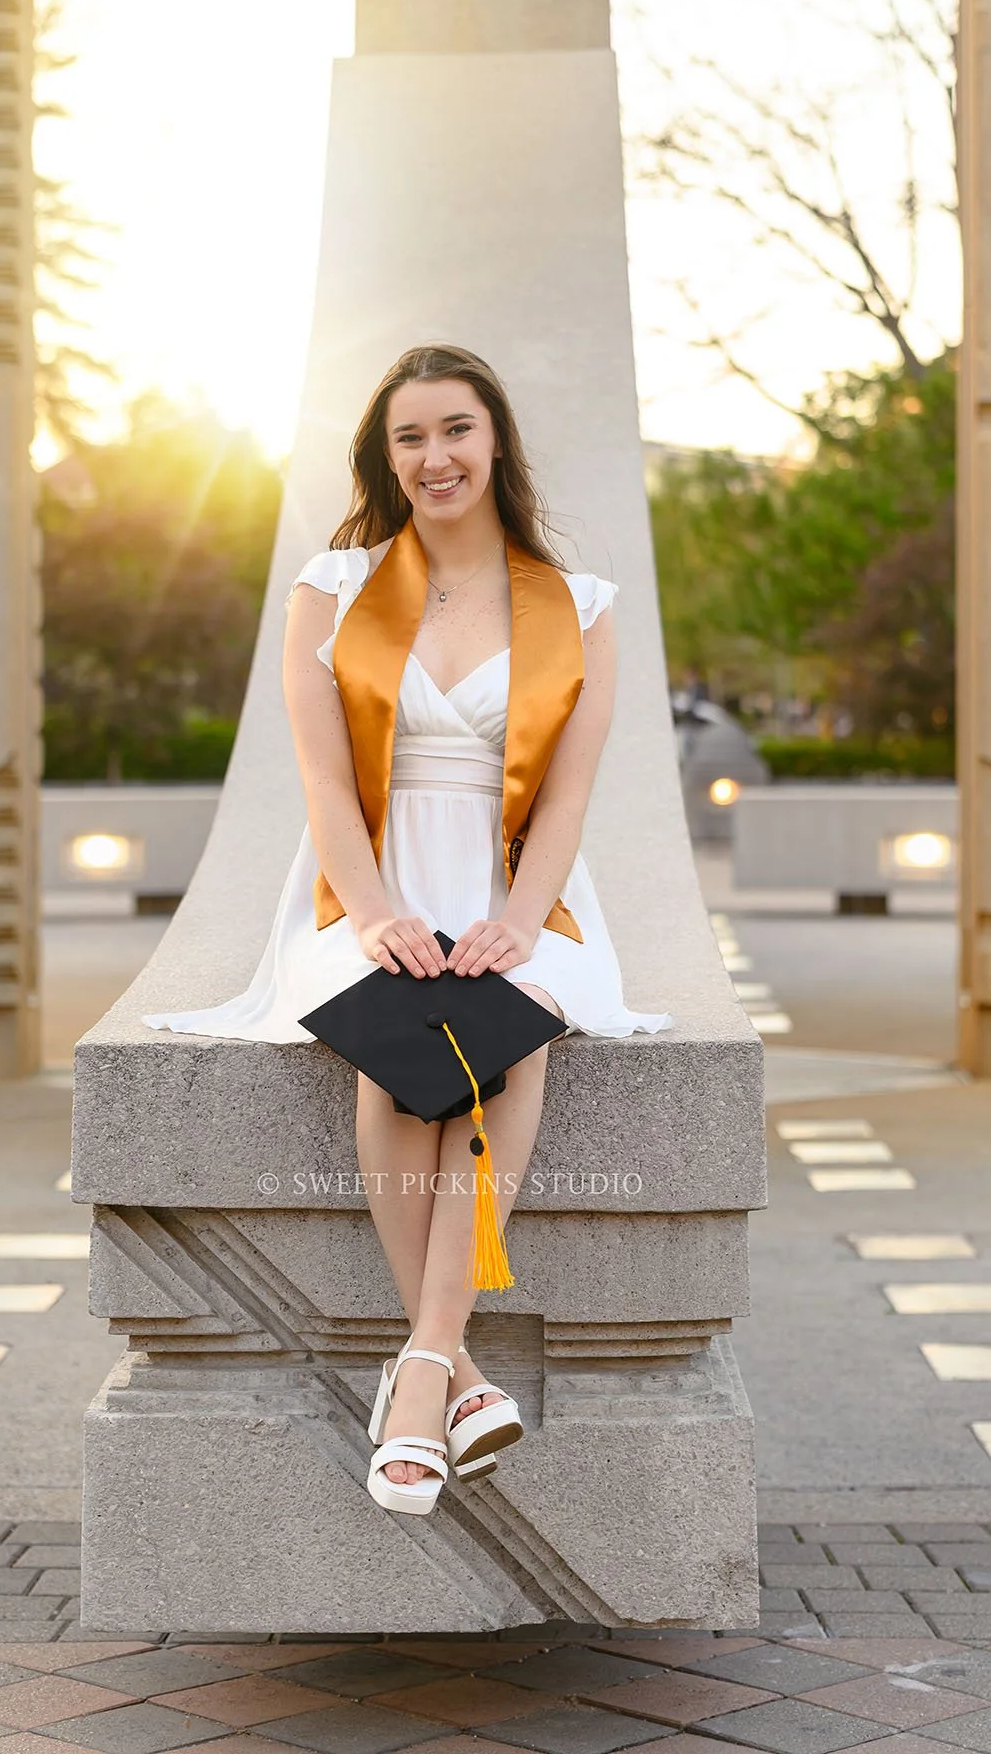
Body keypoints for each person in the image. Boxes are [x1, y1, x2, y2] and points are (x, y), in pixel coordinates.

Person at [144, 343, 670, 1514]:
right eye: (409, 437)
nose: (435, 456)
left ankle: (419, 1369)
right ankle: (448, 1367)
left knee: (513, 1029)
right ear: (386, 458)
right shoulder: (332, 589)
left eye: (456, 429)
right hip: (359, 884)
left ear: (497, 442)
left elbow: (570, 794)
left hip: (512, 885)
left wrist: (519, 921)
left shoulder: (579, 607)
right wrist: (377, 911)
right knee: (393, 1061)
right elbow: (327, 785)